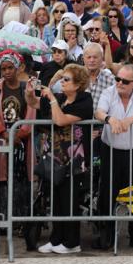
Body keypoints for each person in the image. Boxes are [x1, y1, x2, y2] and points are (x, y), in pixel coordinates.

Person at [25, 64, 93, 254]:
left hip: (74, 160)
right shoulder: (61, 98)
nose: (62, 82)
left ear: (78, 84)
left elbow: (60, 120)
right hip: (55, 158)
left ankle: (72, 243)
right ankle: (56, 239)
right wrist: (29, 92)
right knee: (55, 201)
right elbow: (34, 103)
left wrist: (53, 99)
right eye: (62, 78)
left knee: (69, 201)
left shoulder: (84, 101)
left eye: (66, 79)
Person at [95, 64, 133, 250]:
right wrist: (110, 119)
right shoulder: (108, 92)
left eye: (125, 81)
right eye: (117, 79)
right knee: (108, 191)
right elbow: (99, 112)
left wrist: (129, 120)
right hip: (111, 148)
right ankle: (106, 234)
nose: (119, 83)